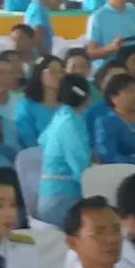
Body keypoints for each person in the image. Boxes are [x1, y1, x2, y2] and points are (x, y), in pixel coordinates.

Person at [37, 74, 93, 225]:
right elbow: (81, 167)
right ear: (87, 97)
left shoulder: (60, 116)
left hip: (49, 196)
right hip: (62, 199)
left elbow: (42, 140)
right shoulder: (71, 123)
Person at [85, 0, 135, 71]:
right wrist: (109, 48)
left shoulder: (134, 12)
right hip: (109, 71)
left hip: (134, 70)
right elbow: (90, 53)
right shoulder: (97, 17)